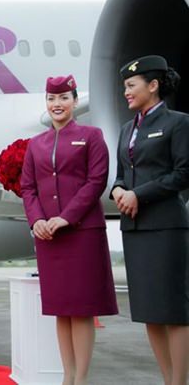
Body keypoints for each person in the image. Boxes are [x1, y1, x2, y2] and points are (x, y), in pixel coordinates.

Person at [20, 75, 117, 385]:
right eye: (51, 98)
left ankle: (82, 377)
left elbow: (96, 182)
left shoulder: (91, 135)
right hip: (49, 236)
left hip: (81, 232)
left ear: (76, 101)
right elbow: (28, 187)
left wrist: (65, 218)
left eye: (63, 98)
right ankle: (68, 375)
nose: (56, 104)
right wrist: (37, 221)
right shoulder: (36, 144)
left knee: (82, 308)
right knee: (61, 309)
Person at [111, 55, 189, 385]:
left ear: (153, 85)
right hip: (135, 229)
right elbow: (120, 176)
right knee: (150, 313)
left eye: (131, 86)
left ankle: (179, 380)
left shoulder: (178, 123)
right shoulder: (127, 129)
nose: (126, 92)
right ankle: (166, 378)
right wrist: (118, 191)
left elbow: (183, 173)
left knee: (173, 311)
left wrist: (138, 194)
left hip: (166, 227)